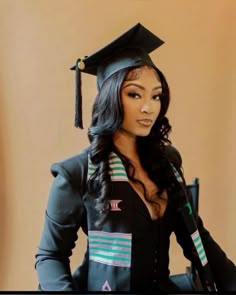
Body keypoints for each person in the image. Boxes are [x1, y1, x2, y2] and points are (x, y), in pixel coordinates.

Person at [35, 23, 236, 292]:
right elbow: (50, 257)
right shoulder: (76, 173)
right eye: (134, 94)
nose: (148, 107)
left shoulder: (167, 163)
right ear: (109, 98)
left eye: (156, 96)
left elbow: (198, 238)